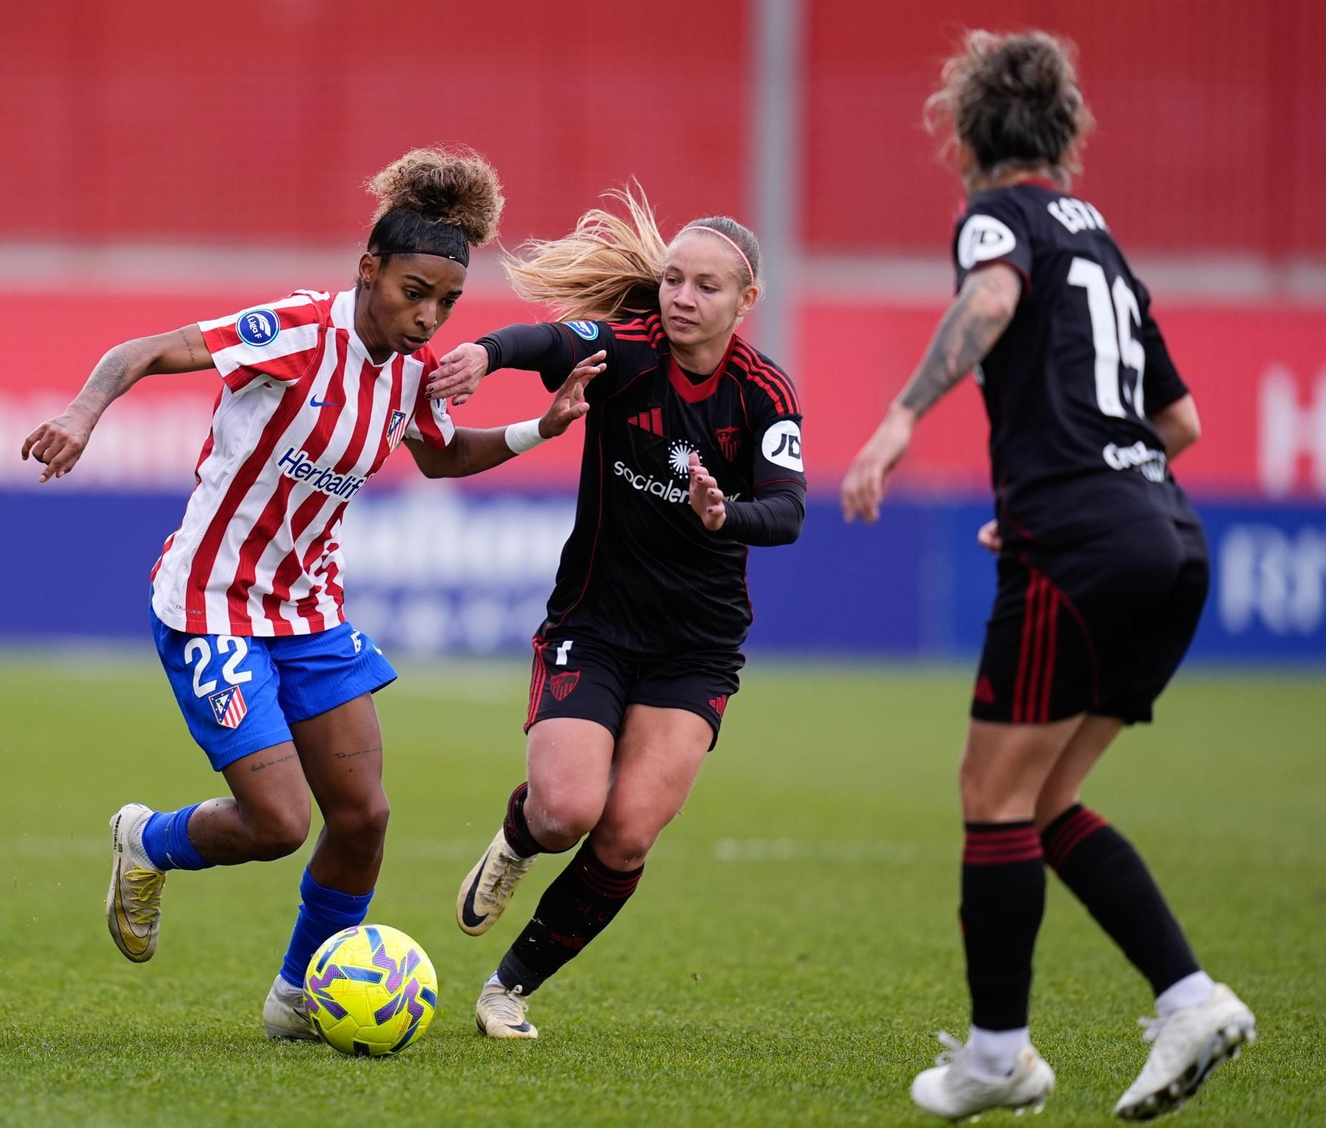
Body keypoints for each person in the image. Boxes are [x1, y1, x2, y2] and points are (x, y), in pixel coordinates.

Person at [18, 146, 598, 1042]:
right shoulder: (295, 332)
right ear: (369, 269)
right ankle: (147, 839)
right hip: (211, 602)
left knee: (363, 817)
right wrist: (80, 413)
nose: (428, 315)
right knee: (281, 822)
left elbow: (441, 455)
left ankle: (297, 1000)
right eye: (414, 291)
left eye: (446, 301)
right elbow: (143, 351)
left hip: (308, 611)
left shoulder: (414, 370)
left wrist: (537, 427)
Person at [838, 31, 1255, 1121]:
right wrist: (1083, 490)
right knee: (1046, 796)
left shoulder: (1002, 216)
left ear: (967, 133)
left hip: (1080, 543)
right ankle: (1189, 998)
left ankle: (997, 1056)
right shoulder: (1100, 239)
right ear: (1065, 130)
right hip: (1166, 536)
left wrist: (895, 421)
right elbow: (1181, 420)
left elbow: (987, 304)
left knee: (991, 796)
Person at [423, 188, 807, 1039]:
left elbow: (786, 512)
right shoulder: (629, 353)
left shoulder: (763, 394)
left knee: (627, 833)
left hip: (695, 649)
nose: (680, 298)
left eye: (706, 286)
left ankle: (508, 988)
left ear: (747, 302)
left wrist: (724, 516)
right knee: (565, 813)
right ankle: (518, 839)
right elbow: (549, 341)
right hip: (593, 626)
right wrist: (486, 356)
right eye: (672, 279)